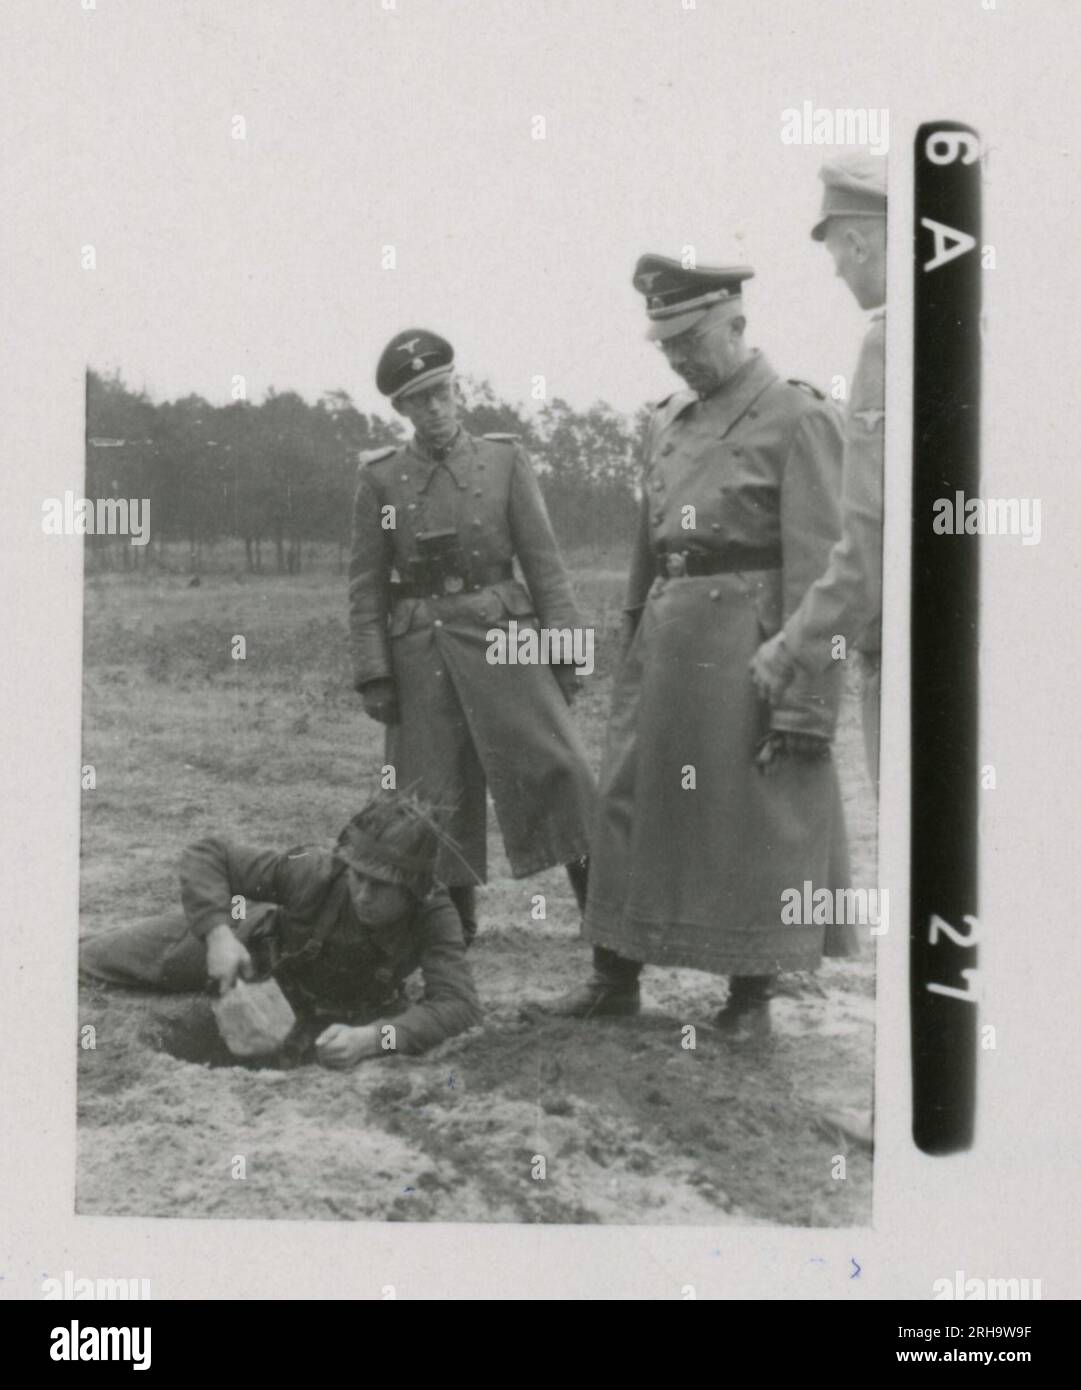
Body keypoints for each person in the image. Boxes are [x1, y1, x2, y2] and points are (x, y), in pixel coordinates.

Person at [542, 255, 857, 1040]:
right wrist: (631, 639)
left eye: (691, 338)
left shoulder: (798, 417)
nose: (679, 356)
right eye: (666, 343)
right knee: (630, 803)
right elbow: (647, 550)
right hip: (666, 644)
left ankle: (751, 996)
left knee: (754, 814)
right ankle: (614, 975)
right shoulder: (662, 418)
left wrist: (806, 704)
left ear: (737, 324)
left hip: (749, 647)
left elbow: (822, 567)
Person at [348, 329, 596, 945]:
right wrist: (374, 673)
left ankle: (605, 915)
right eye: (418, 400)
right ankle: (452, 927)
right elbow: (366, 587)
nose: (433, 409)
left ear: (458, 392)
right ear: (401, 410)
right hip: (420, 649)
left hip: (507, 638)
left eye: (441, 393)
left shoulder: (506, 461)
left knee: (560, 769)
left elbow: (546, 566)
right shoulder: (381, 481)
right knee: (432, 791)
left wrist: (567, 656)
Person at [79, 793, 482, 1066]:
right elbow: (210, 854)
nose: (361, 893)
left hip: (333, 1015)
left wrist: (377, 1038)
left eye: (380, 886)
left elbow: (458, 1006)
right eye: (358, 877)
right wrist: (217, 936)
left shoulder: (434, 914)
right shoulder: (316, 872)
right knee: (89, 961)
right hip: (245, 951)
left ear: (413, 889)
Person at [750, 152, 886, 787]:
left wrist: (792, 645)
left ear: (857, 243)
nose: (839, 274)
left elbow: (868, 539)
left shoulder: (888, 346)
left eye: (836, 258)